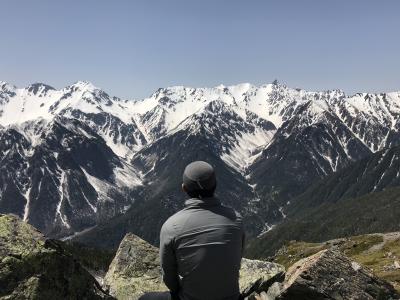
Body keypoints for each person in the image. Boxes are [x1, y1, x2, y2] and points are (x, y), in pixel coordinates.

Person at [139, 161, 245, 300]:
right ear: (215, 185)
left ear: (184, 188)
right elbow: (237, 258)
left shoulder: (172, 226)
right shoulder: (236, 219)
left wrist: (179, 291)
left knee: (144, 298)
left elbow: (169, 276)